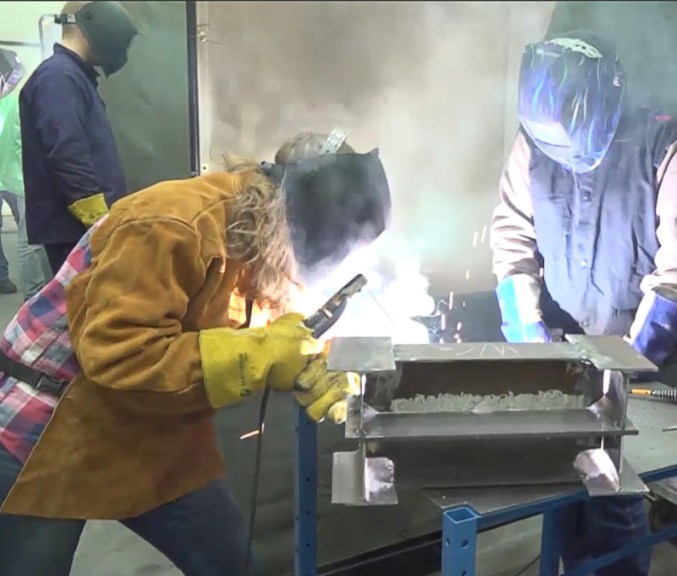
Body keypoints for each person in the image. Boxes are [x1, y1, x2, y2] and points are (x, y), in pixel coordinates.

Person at [0, 129, 391, 576]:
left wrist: (307, 361)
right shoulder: (171, 223)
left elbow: (261, 324)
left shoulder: (260, 234)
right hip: (54, 416)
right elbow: (118, 354)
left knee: (230, 565)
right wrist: (261, 355)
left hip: (156, 425)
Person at [489, 31, 677, 576]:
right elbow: (512, 240)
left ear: (606, 101)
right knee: (562, 496)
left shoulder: (669, 145)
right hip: (565, 343)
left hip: (636, 347)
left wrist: (624, 369)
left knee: (612, 501)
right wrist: (528, 335)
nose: (565, 156)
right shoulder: (532, 142)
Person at [19, 1, 137, 274]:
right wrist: (99, 223)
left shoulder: (72, 75)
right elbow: (67, 155)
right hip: (75, 233)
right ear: (92, 23)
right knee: (87, 311)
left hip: (80, 229)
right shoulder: (58, 77)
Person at [0, 48, 53, 300]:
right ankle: (33, 293)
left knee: (30, 236)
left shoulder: (15, 97)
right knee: (29, 239)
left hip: (14, 175)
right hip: (21, 177)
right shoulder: (23, 96)